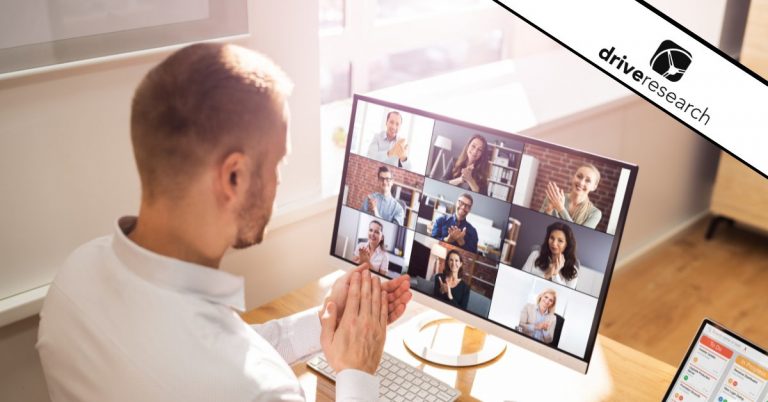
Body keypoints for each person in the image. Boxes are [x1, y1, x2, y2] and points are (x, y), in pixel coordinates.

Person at [36, 43, 413, 402]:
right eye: (277, 162)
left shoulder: (73, 277)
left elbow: (226, 348)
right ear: (234, 177)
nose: (280, 180)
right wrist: (357, 372)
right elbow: (232, 371)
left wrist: (327, 321)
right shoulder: (258, 391)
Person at [539, 164, 603, 229]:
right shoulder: (554, 197)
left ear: (594, 187)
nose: (581, 183)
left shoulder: (595, 213)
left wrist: (561, 209)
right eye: (579, 176)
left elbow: (578, 235)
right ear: (573, 177)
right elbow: (539, 223)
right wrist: (548, 211)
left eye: (588, 181)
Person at [521, 222, 579, 289]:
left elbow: (565, 296)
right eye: (552, 238)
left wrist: (555, 274)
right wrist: (547, 275)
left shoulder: (573, 272)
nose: (554, 243)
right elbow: (522, 280)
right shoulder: (535, 255)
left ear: (567, 244)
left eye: (560, 240)